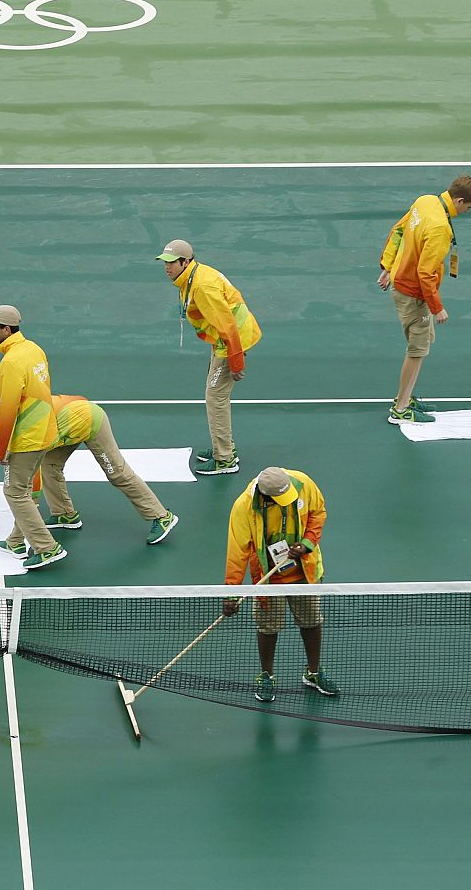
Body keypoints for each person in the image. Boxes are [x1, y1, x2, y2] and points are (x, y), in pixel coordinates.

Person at [0, 396, 178, 544]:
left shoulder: (28, 435)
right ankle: (65, 514)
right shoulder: (15, 418)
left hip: (91, 422)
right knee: (49, 466)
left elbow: (32, 478)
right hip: (68, 425)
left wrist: (29, 505)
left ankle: (161, 516)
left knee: (117, 473)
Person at [221, 466, 337, 702]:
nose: (285, 503)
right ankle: (267, 675)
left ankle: (313, 673)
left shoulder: (302, 483)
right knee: (268, 628)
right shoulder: (243, 508)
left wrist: (307, 543)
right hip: (267, 577)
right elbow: (237, 553)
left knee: (312, 621)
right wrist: (231, 594)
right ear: (264, 496)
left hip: (304, 572)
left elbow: (318, 512)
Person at [376, 175, 471, 424]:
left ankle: (406, 397)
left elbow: (398, 230)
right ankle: (401, 409)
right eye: (468, 207)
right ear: (458, 200)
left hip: (402, 284)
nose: (466, 212)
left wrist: (388, 265)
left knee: (419, 345)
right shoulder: (439, 228)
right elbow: (425, 273)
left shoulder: (425, 201)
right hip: (414, 294)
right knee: (417, 350)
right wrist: (437, 308)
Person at [156, 240, 261, 476]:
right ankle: (222, 449)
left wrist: (236, 362)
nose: (167, 267)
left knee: (215, 397)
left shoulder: (203, 287)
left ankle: (225, 459)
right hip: (223, 340)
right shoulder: (192, 278)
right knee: (214, 394)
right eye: (165, 263)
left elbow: (228, 326)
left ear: (186, 262)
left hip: (232, 341)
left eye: (172, 263)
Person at [0, 306, 65, 570]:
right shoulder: (33, 349)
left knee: (15, 492)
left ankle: (46, 547)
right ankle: (17, 540)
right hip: (46, 430)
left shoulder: (11, 362)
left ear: (6, 329)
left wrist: (1, 449)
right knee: (24, 489)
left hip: (27, 436)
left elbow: (8, 410)